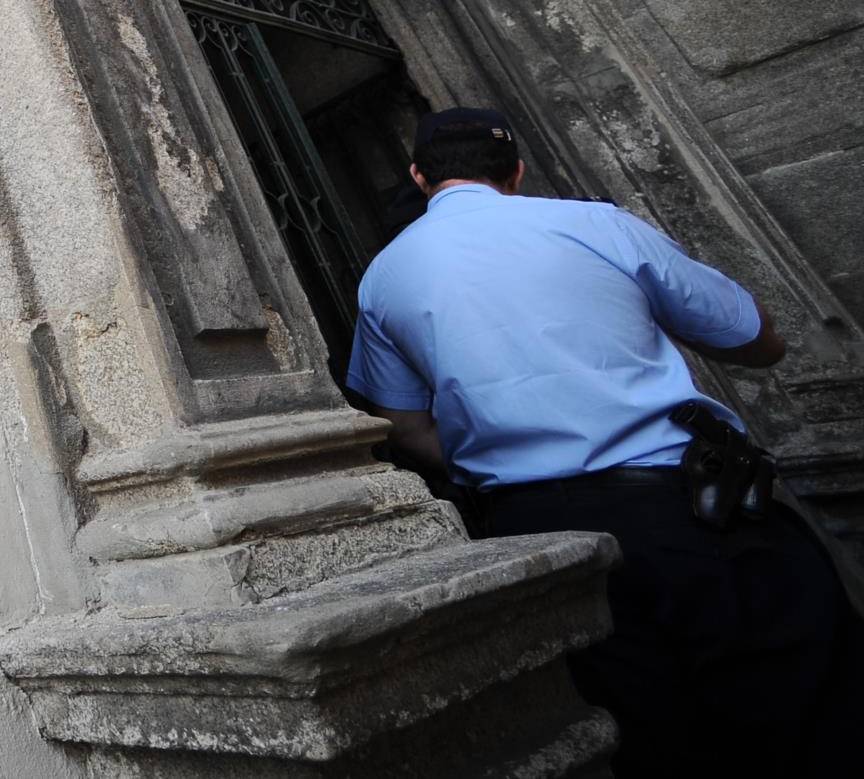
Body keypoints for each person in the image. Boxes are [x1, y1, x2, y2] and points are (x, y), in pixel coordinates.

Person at [345, 107, 860, 778]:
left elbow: (407, 428)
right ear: (517, 171)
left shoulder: (383, 276)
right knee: (808, 718)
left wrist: (503, 458)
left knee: (651, 742)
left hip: (538, 539)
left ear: (419, 176)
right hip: (692, 516)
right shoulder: (595, 224)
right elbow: (758, 341)